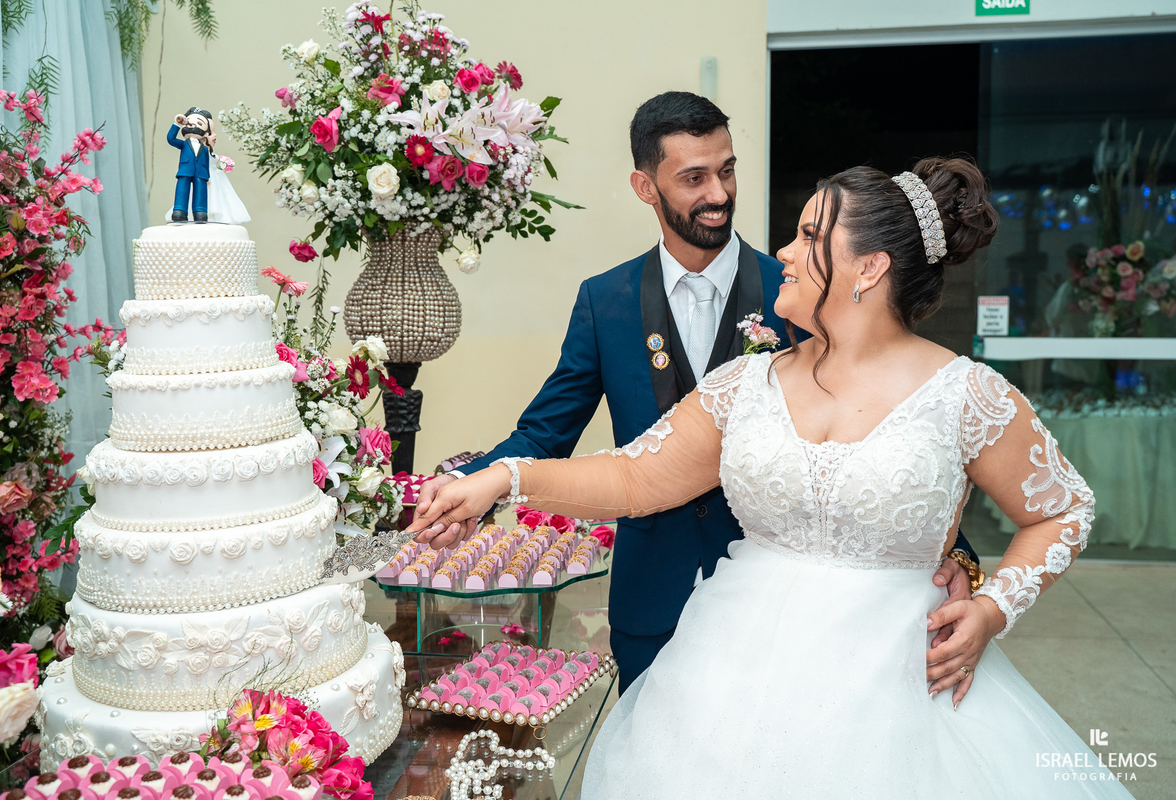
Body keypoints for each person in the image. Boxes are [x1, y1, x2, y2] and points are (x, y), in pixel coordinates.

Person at [408, 158, 1133, 798]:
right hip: (726, 683)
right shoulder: (746, 384)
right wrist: (504, 478)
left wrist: (992, 607)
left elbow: (1063, 511)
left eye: (811, 236)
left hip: (895, 694)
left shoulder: (969, 396)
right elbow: (634, 480)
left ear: (870, 267)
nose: (784, 250)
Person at [414, 92, 983, 693]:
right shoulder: (604, 301)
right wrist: (466, 485)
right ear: (645, 186)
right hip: (651, 598)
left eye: (727, 170)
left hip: (775, 607)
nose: (718, 194)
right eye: (693, 177)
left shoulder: (799, 292)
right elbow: (544, 432)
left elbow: (893, 417)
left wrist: (954, 556)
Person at [167, 106, 214, 223]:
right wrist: (176, 124)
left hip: (201, 173)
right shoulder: (184, 144)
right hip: (185, 169)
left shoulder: (204, 148)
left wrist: (207, 175)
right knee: (182, 189)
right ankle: (180, 210)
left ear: (206, 131)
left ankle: (200, 212)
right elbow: (170, 139)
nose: (194, 125)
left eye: (199, 123)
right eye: (190, 122)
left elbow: (207, 162)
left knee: (201, 192)